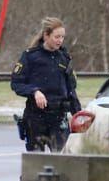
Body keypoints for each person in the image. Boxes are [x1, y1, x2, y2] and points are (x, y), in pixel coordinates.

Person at [10, 17, 80, 152]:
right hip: (36, 118)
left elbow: (71, 89)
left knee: (61, 161)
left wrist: (78, 114)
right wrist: (34, 91)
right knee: (36, 163)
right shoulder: (30, 56)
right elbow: (16, 83)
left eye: (62, 37)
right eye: (57, 37)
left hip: (59, 118)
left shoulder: (64, 58)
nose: (60, 40)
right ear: (46, 35)